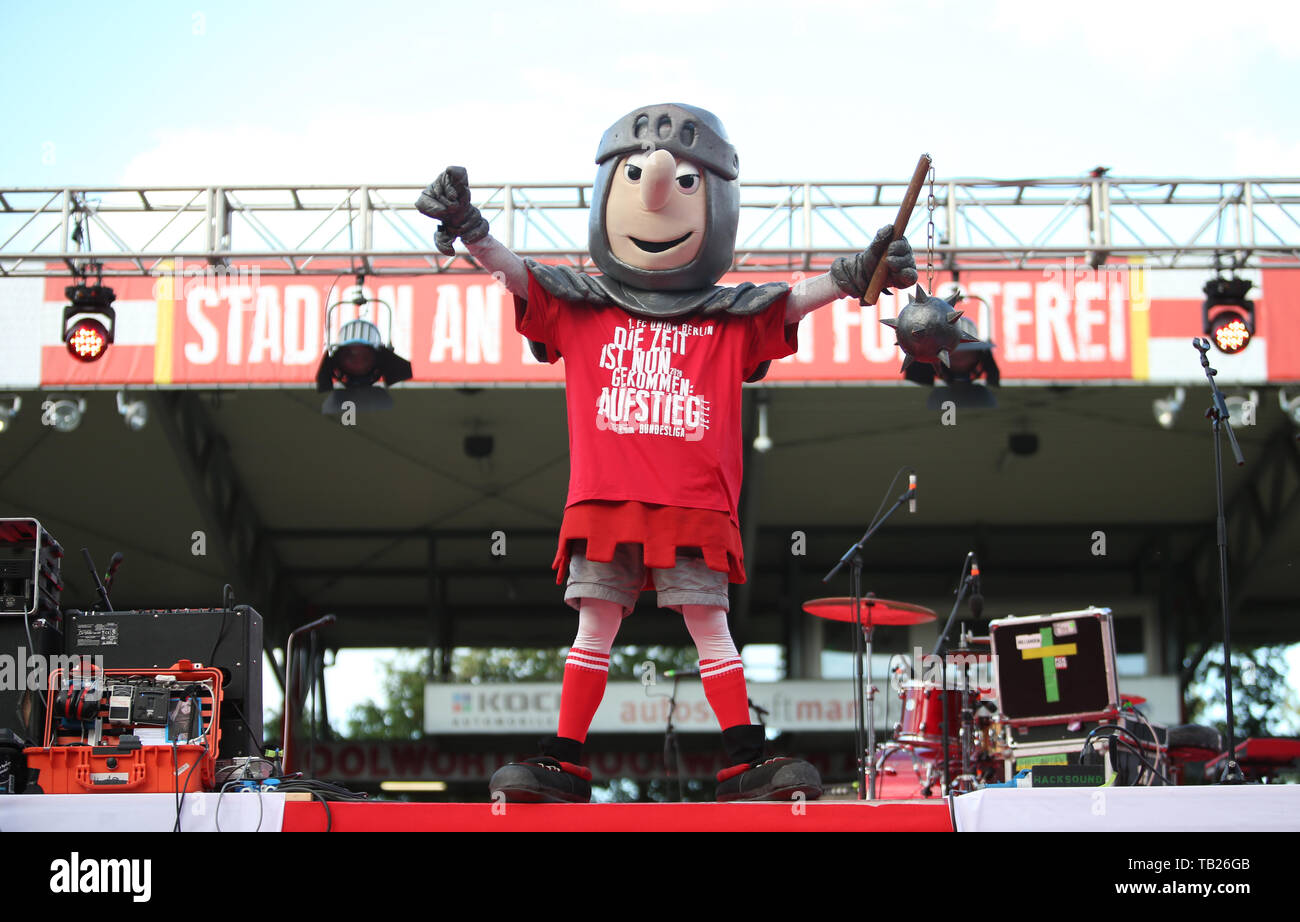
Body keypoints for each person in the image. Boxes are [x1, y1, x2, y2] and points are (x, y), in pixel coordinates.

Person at [417, 104, 917, 802]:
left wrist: (857, 270)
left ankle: (734, 760)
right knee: (615, 625)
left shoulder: (723, 315)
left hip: (690, 503)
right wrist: (470, 230)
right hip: (618, 499)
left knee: (690, 627)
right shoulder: (584, 304)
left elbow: (794, 300)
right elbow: (519, 274)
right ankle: (578, 759)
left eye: (687, 184)